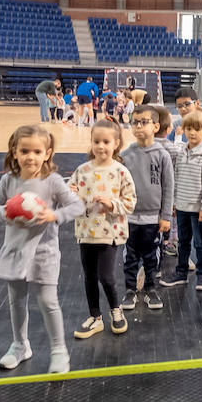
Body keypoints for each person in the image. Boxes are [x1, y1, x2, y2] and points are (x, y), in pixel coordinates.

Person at [0, 125, 84, 373]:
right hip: (15, 250)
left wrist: (55, 214)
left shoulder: (52, 181)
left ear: (48, 153)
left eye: (37, 151)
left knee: (48, 301)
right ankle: (20, 346)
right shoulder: (7, 181)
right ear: (14, 151)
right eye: (24, 150)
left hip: (45, 253)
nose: (30, 156)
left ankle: (58, 350)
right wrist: (7, 213)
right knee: (16, 301)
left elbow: (77, 207)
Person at [69, 119, 136, 338]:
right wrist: (73, 196)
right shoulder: (82, 170)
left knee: (106, 276)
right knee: (89, 277)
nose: (100, 146)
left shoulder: (121, 172)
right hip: (86, 233)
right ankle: (95, 317)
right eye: (96, 141)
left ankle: (116, 311)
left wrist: (111, 204)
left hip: (110, 234)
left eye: (106, 141)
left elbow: (130, 203)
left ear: (116, 143)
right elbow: (70, 197)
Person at [120, 104, 175, 312]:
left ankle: (151, 288)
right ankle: (130, 290)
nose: (139, 126)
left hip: (154, 219)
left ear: (155, 126)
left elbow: (169, 187)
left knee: (153, 256)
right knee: (130, 256)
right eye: (135, 122)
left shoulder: (162, 155)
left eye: (144, 122)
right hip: (130, 218)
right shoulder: (125, 155)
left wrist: (166, 216)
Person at [160, 110, 202, 290]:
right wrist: (174, 202)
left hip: (198, 208)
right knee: (183, 241)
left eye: (197, 129)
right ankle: (181, 272)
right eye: (189, 129)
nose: (192, 133)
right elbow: (175, 178)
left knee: (200, 242)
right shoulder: (181, 153)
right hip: (182, 206)